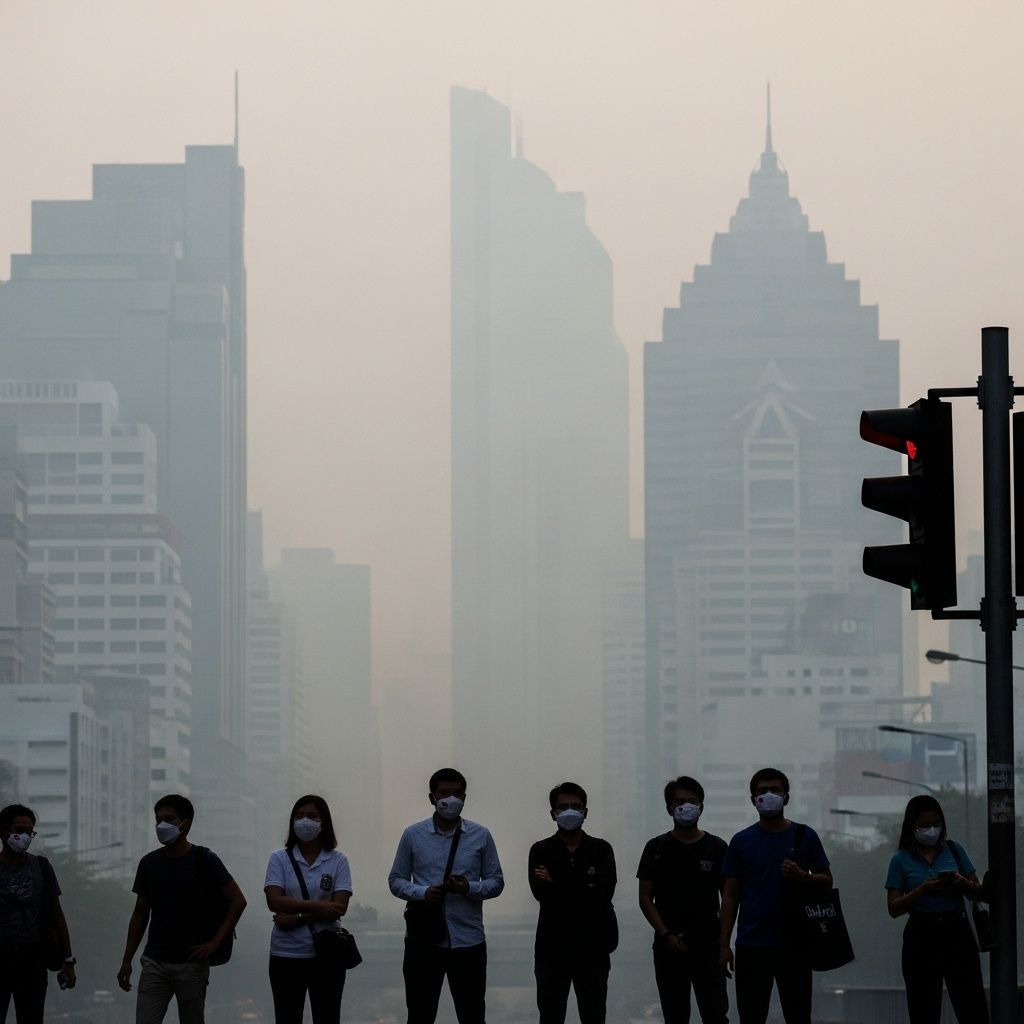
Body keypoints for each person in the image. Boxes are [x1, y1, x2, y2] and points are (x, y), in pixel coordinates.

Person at [117, 794, 247, 1024]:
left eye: (169, 819)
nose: (161, 825)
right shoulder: (149, 863)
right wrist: (127, 959)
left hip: (191, 963)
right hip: (154, 961)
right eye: (158, 820)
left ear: (186, 824)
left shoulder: (204, 859)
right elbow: (140, 913)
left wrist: (214, 943)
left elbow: (238, 901)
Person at [388, 768, 504, 1024]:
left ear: (464, 797)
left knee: (472, 1014)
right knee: (419, 1014)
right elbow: (396, 880)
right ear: (432, 797)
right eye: (444, 793)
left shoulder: (481, 835)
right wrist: (422, 893)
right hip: (423, 941)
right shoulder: (412, 835)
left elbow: (496, 882)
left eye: (456, 793)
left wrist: (469, 888)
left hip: (468, 941)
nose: (450, 799)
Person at [719, 768, 831, 1024]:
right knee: (751, 1017)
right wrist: (724, 945)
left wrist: (803, 875)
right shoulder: (741, 841)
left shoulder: (806, 836)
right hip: (751, 946)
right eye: (762, 791)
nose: (768, 795)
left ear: (786, 797)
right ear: (753, 799)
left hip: (796, 945)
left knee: (799, 1016)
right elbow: (730, 896)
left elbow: (827, 880)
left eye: (775, 790)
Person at [884, 794, 988, 1024]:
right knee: (923, 1007)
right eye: (924, 825)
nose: (931, 830)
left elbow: (978, 891)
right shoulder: (900, 860)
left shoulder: (954, 849)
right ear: (912, 826)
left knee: (972, 1005)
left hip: (956, 931)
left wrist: (961, 882)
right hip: (921, 935)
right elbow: (893, 907)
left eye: (936, 824)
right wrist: (922, 890)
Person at [637, 776, 728, 1024]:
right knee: (675, 1016)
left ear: (701, 806)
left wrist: (724, 944)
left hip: (709, 946)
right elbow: (645, 898)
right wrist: (665, 934)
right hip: (669, 947)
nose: (686, 807)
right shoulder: (656, 848)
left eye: (692, 801)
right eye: (679, 802)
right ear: (669, 808)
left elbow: (728, 898)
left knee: (716, 1015)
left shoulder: (717, 847)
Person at [529, 781, 617, 1024]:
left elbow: (603, 894)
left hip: (594, 949)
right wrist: (583, 884)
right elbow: (541, 893)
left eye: (576, 806)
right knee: (550, 1016)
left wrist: (557, 882)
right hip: (551, 950)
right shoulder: (541, 850)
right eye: (563, 806)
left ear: (585, 812)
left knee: (594, 1016)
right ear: (553, 813)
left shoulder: (601, 849)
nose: (570, 812)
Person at [264, 795, 353, 1024]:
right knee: (287, 1016)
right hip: (286, 953)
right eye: (299, 816)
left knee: (328, 1016)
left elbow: (339, 908)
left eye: (312, 816)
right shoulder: (279, 858)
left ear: (324, 822)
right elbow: (274, 900)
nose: (305, 821)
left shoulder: (338, 860)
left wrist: (297, 917)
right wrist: (320, 906)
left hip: (327, 954)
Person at [0, 804, 76, 1024]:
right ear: (4, 831)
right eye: (19, 830)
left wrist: (68, 959)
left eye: (29, 831)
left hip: (32, 960)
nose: (24, 836)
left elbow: (57, 914)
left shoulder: (41, 866)